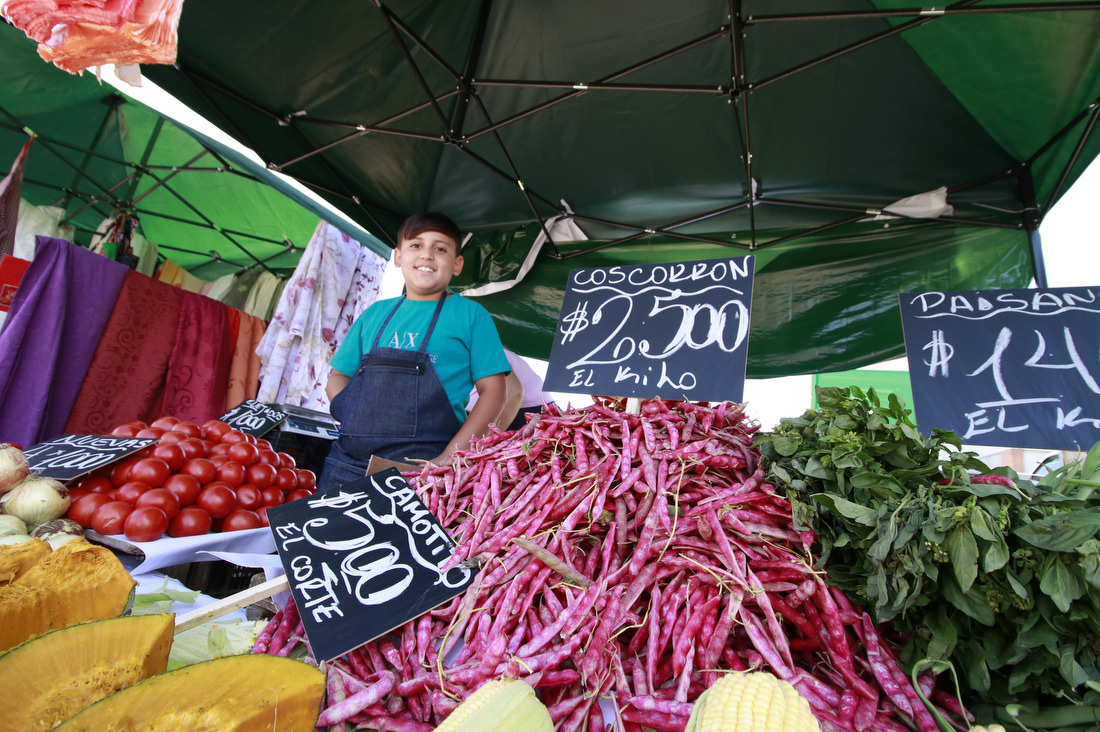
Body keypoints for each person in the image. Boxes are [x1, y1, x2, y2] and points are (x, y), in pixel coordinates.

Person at [319, 212, 510, 492]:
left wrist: (449, 458)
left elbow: (495, 391)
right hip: (347, 463)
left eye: (441, 249)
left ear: (457, 264)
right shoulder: (374, 313)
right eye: (416, 245)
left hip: (423, 470)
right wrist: (351, 409)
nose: (427, 255)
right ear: (398, 256)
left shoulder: (471, 316)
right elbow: (338, 375)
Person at [467, 349, 555, 431]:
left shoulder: (484, 351)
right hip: (495, 415)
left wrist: (482, 441)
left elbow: (514, 394)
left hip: (529, 413)